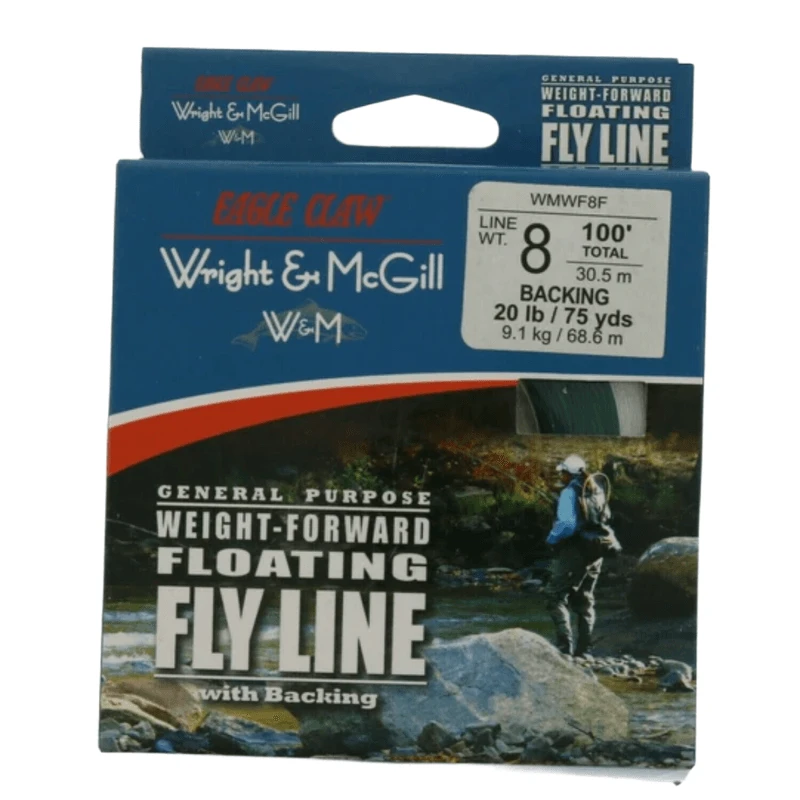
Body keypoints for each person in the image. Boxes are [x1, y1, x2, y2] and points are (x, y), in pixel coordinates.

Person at [544, 454, 605, 657]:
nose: (560, 476)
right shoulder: (597, 490)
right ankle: (584, 650)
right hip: (596, 551)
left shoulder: (569, 493)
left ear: (568, 474)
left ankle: (564, 647)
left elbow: (567, 525)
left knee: (554, 596)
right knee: (585, 600)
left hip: (575, 551)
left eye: (562, 472)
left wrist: (551, 539)